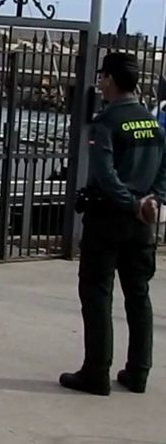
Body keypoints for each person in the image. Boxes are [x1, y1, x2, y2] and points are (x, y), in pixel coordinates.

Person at [61, 52, 166, 395]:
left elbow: (105, 175)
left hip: (108, 218)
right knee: (138, 295)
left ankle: (96, 372)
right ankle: (139, 372)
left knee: (97, 293)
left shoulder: (107, 122)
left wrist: (129, 203)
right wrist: (152, 201)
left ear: (109, 79)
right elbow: (164, 168)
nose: (100, 83)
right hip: (142, 224)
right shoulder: (153, 123)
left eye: (103, 76)